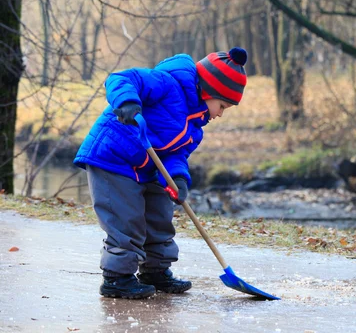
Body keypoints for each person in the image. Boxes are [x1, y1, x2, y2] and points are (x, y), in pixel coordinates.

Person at [73, 47, 248, 299]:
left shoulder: (195, 128)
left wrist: (178, 178)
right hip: (113, 157)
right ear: (210, 90)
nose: (220, 113)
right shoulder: (167, 83)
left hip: (147, 166)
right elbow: (120, 78)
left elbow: (176, 156)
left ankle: (155, 271)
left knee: (160, 214)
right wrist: (127, 102)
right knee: (126, 219)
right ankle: (117, 278)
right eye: (222, 105)